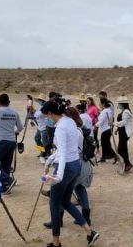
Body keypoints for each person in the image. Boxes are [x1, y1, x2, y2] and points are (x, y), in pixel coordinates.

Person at [41, 102, 100, 247]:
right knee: (65, 202)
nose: (45, 119)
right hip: (74, 166)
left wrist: (59, 174)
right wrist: (49, 161)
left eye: (45, 115)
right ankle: (89, 232)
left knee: (54, 204)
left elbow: (62, 153)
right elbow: (65, 150)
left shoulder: (61, 127)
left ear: (50, 113)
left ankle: (56, 242)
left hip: (66, 167)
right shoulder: (70, 122)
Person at [113, 96, 133, 172]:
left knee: (121, 149)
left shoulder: (126, 112)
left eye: (119, 103)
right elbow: (121, 123)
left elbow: (124, 123)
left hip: (125, 133)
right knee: (123, 149)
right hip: (122, 132)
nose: (118, 105)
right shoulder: (123, 111)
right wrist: (117, 129)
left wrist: (113, 124)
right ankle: (126, 163)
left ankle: (128, 164)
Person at [96, 98, 116, 163]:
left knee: (106, 145)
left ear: (103, 104)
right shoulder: (108, 110)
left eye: (100, 103)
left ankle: (115, 156)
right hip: (107, 129)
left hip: (105, 130)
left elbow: (101, 121)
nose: (99, 104)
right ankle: (103, 157)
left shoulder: (105, 111)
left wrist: (95, 126)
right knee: (104, 144)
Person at [34, 94, 49, 162]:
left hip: (44, 128)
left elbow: (38, 114)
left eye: (40, 100)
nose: (39, 101)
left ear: (43, 101)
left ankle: (46, 154)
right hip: (40, 127)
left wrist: (34, 113)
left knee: (45, 143)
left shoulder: (45, 108)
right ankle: (42, 151)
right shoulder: (40, 107)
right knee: (37, 139)